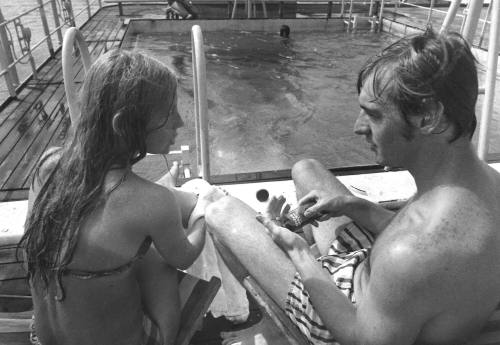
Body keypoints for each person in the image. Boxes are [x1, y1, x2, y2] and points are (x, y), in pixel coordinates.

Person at [205, 28, 500, 345]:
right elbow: (429, 247)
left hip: (355, 319)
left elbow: (359, 337)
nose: (357, 127)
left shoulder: (410, 253)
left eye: (373, 114)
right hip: (386, 289)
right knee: (307, 169)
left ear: (429, 117)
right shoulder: (479, 186)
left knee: (222, 211)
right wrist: (352, 205)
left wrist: (299, 253)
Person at [20, 49, 222, 345]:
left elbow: (104, 213)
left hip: (43, 337)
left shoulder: (48, 166)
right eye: (169, 113)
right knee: (155, 257)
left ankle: (168, 185)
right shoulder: (151, 202)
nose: (179, 122)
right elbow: (185, 254)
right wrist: (202, 209)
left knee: (124, 242)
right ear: (124, 124)